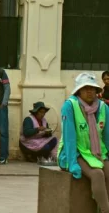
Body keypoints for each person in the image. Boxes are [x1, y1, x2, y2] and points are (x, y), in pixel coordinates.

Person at [58, 72, 109, 211]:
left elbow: (107, 136)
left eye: (92, 88)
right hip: (76, 152)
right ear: (78, 90)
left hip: (97, 152)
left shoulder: (104, 107)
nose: (89, 91)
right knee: (97, 174)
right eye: (85, 88)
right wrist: (72, 163)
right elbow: (69, 138)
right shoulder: (69, 106)